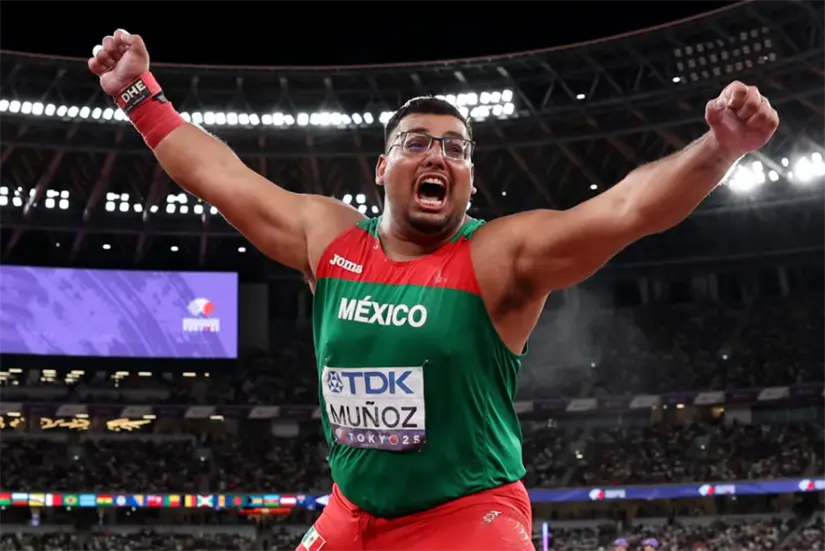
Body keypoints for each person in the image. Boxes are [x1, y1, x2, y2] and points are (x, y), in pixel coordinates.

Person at [88, 29, 779, 551]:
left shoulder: (499, 256)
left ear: (469, 179)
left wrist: (715, 150)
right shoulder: (328, 239)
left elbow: (627, 207)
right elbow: (221, 175)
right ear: (383, 167)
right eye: (418, 143)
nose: (438, 156)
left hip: (465, 517)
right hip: (350, 511)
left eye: (456, 149)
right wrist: (137, 94)